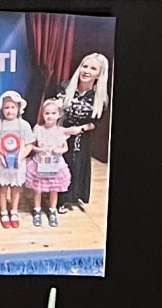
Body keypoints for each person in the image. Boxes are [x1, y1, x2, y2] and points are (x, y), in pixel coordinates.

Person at [57, 52, 110, 211]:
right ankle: (57, 198)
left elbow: (97, 123)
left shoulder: (100, 97)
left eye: (93, 68)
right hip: (61, 133)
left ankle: (71, 198)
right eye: (84, 66)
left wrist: (79, 129)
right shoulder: (65, 86)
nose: (86, 71)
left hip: (81, 135)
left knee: (77, 165)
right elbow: (53, 109)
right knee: (60, 165)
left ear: (99, 74)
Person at [25, 96, 75, 229]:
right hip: (40, 163)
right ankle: (37, 209)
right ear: (43, 114)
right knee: (38, 188)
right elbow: (32, 146)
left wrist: (59, 150)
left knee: (54, 189)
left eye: (53, 113)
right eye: (47, 113)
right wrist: (39, 149)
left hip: (55, 164)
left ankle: (52, 210)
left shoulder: (61, 131)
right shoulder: (38, 129)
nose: (50, 116)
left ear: (59, 114)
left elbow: (65, 148)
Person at [0, 90, 32, 230]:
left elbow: (30, 144)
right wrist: (0, 156)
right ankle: (4, 211)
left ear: (18, 108)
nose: (10, 110)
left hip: (18, 163)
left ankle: (14, 211)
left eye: (13, 107)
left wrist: (21, 157)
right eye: (6, 107)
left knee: (16, 188)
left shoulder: (24, 125)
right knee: (3, 187)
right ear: (1, 109)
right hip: (2, 163)